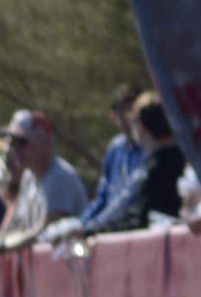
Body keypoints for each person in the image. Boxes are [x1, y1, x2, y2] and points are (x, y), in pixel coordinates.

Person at [82, 93, 189, 231]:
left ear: (140, 126)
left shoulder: (153, 171)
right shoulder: (186, 161)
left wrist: (92, 231)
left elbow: (139, 218)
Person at [79, 85, 145, 227]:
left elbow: (128, 198)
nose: (129, 120)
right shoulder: (114, 149)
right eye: (123, 114)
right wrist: (81, 225)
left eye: (132, 113)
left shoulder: (149, 149)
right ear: (113, 118)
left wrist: (94, 226)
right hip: (109, 227)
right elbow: (102, 198)